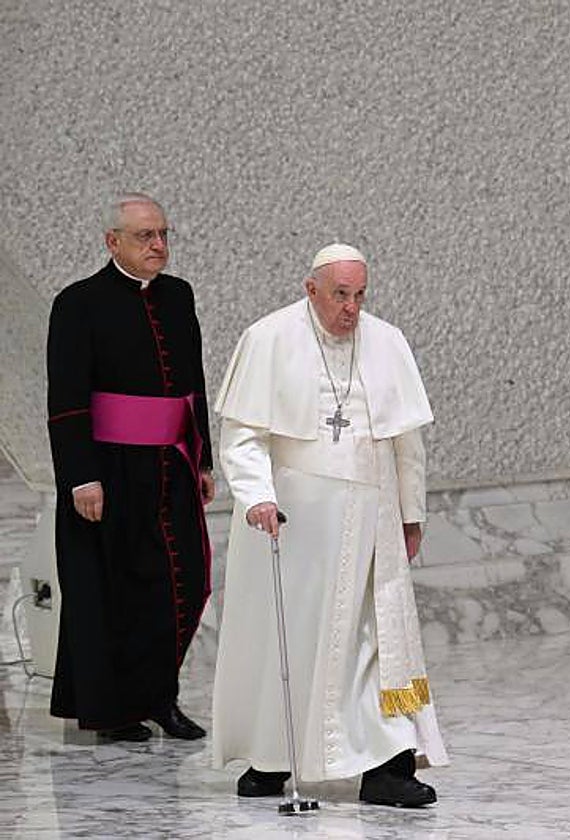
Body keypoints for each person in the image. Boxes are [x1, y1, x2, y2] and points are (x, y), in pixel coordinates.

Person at [211, 242, 447, 807]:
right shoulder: (268, 338)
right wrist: (257, 496)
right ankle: (272, 759)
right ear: (310, 288)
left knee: (374, 640)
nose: (351, 308)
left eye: (360, 294)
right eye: (340, 294)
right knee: (290, 642)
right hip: (296, 523)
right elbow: (243, 436)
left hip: (373, 520)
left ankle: (387, 769)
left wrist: (411, 514)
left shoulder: (386, 341)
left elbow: (407, 442)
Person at [46, 192, 214, 742]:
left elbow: (193, 384)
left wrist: (202, 459)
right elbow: (66, 399)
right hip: (110, 471)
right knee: (116, 592)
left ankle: (160, 697)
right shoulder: (78, 303)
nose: (158, 245)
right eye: (146, 236)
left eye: (163, 234)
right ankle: (116, 712)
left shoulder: (178, 296)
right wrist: (81, 477)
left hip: (171, 466)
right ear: (112, 241)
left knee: (182, 583)